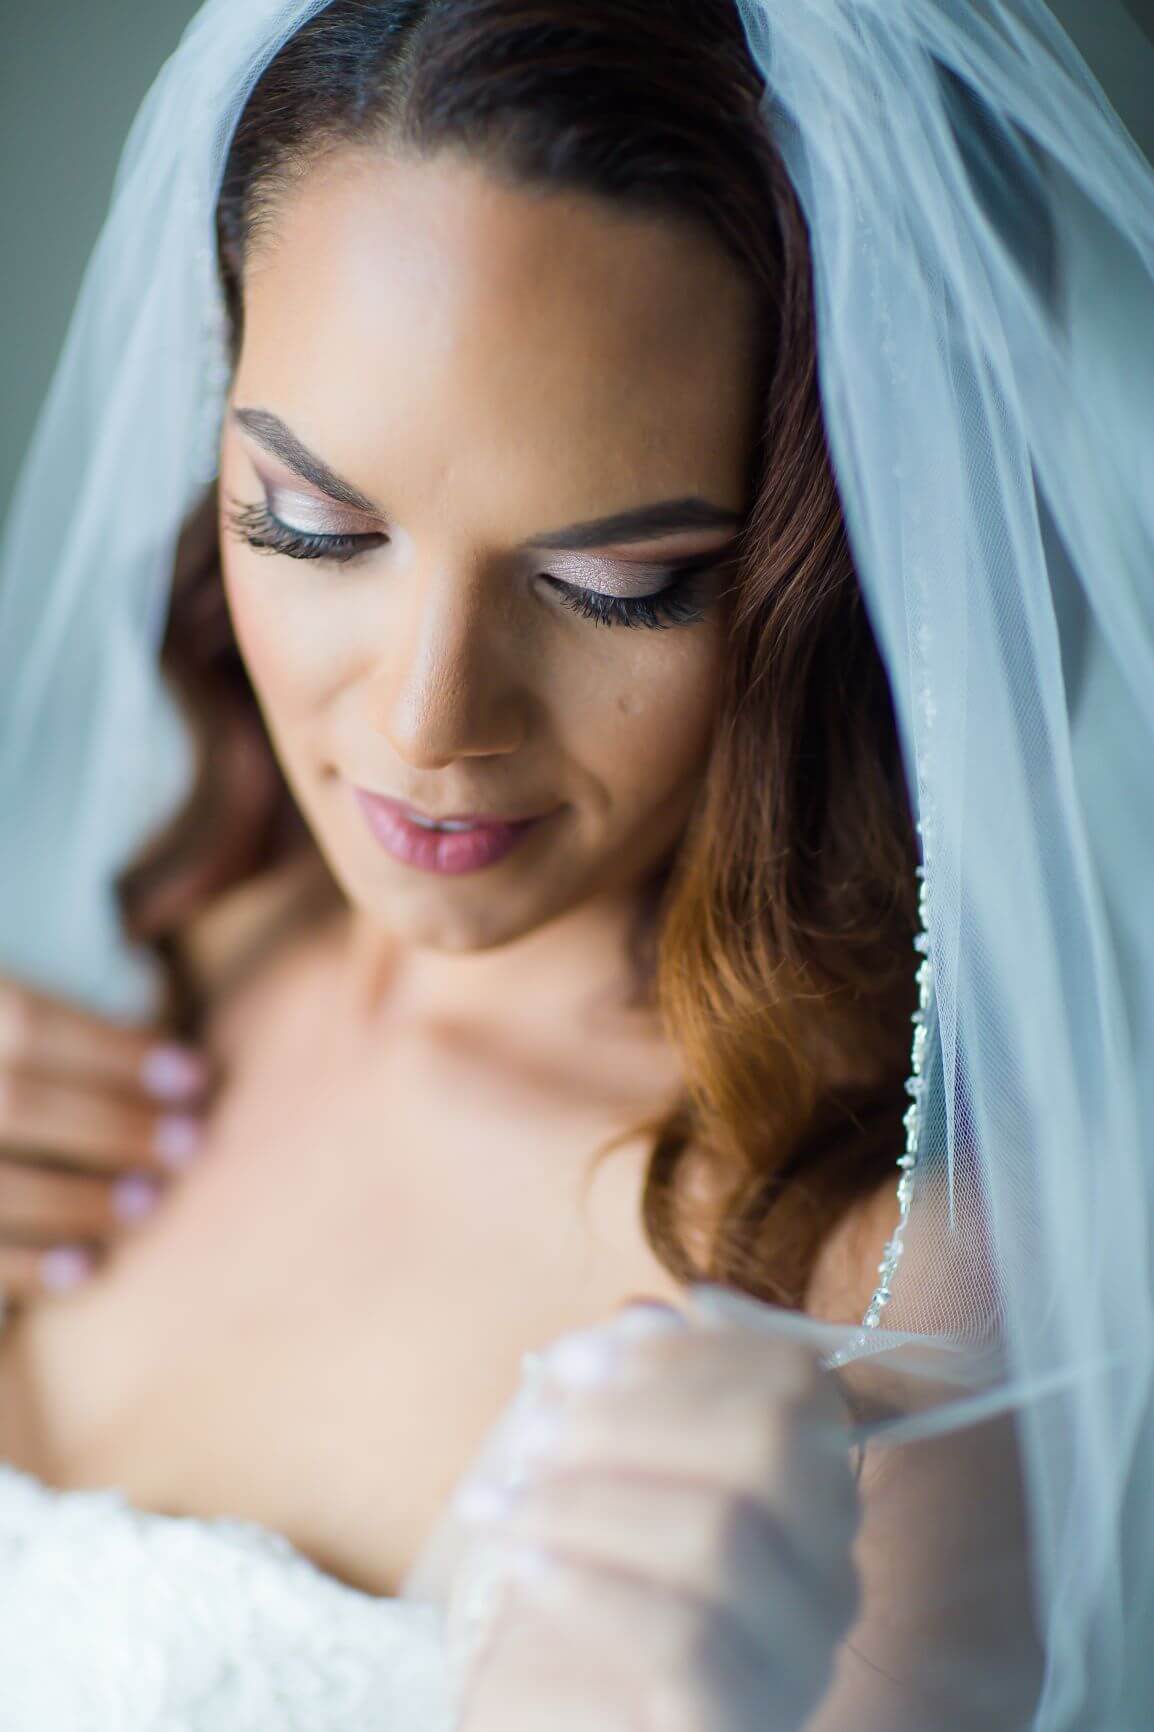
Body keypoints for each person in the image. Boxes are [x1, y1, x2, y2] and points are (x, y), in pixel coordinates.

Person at [0, 1, 1151, 1728]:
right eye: (310, 525)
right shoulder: (139, 973)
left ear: (819, 569)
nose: (425, 715)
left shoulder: (893, 1276)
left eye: (618, 585)